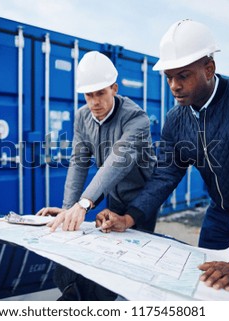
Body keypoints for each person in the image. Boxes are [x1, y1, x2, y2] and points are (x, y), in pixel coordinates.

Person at [96, 19, 229, 298]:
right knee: (205, 291)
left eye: (183, 76)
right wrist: (129, 217)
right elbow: (164, 175)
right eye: (169, 77)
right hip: (219, 217)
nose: (174, 86)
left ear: (209, 69)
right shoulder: (176, 120)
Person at [36, 51, 157, 300]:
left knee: (136, 261)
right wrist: (69, 209)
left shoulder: (137, 118)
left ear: (114, 88)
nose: (94, 102)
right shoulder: (82, 117)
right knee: (108, 255)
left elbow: (119, 160)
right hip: (111, 194)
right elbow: (79, 162)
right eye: (88, 95)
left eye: (101, 93)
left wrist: (84, 203)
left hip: (141, 199)